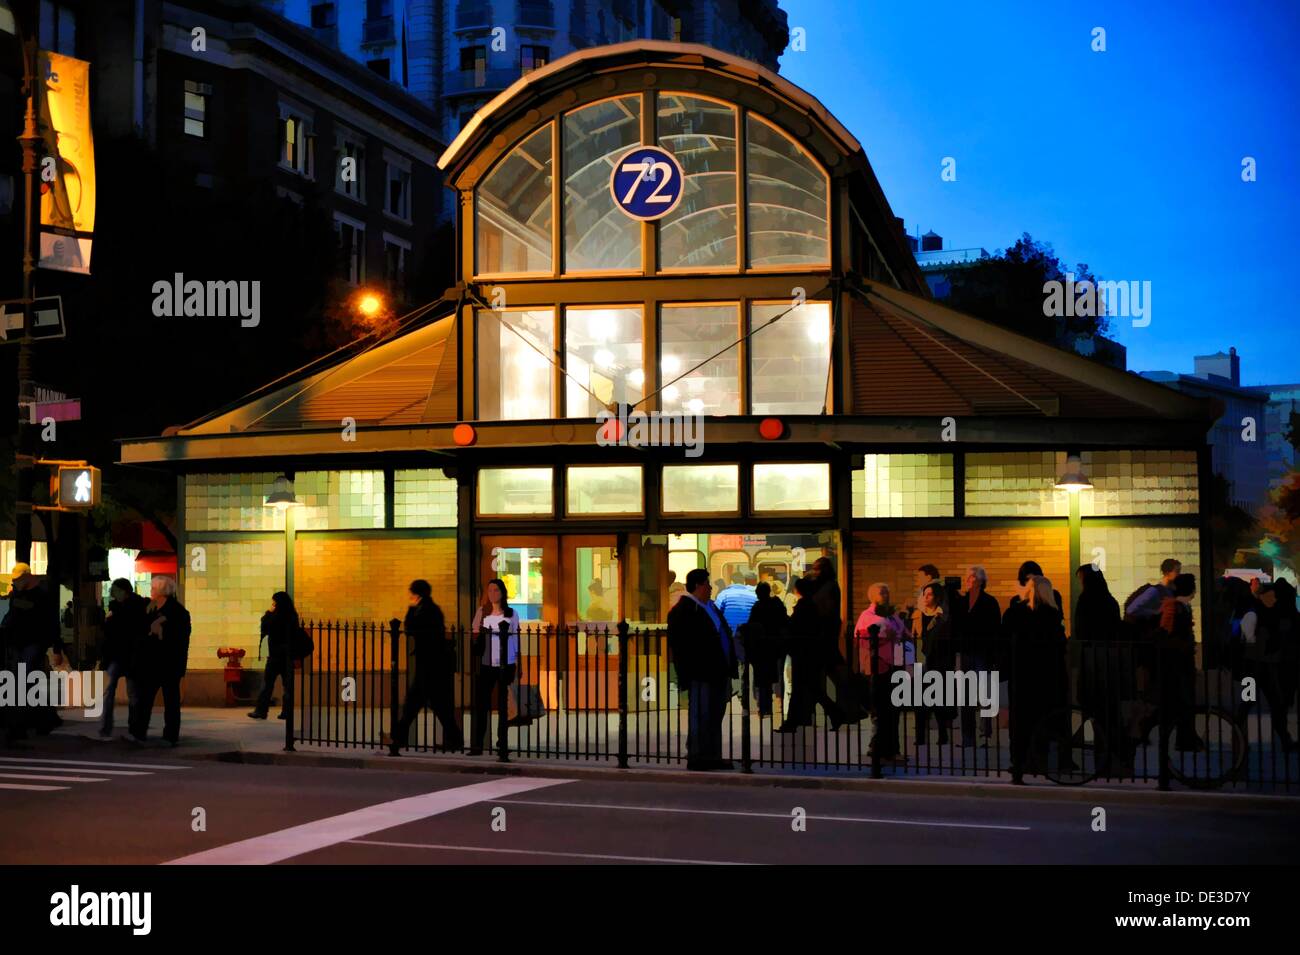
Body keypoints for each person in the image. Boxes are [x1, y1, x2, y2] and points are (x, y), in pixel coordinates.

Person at [667, 568, 737, 770]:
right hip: (702, 672)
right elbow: (682, 644)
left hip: (718, 671)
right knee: (702, 714)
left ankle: (713, 755)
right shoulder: (686, 610)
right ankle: (698, 755)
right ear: (698, 585)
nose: (710, 587)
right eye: (707, 583)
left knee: (715, 714)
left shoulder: (710, 607)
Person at [1003, 575, 1068, 783]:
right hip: (1046, 676)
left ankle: (1019, 765)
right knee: (1043, 721)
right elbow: (1059, 647)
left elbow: (1006, 637)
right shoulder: (1052, 616)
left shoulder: (1016, 613)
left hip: (1022, 675)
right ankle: (1040, 762)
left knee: (1021, 722)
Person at [393, 580, 463, 751]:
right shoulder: (429, 609)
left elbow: (411, 629)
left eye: (411, 592)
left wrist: (410, 610)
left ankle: (398, 739)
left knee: (416, 705)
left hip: (430, 665)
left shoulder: (427, 610)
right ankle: (399, 738)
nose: (409, 595)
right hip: (430, 665)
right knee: (433, 706)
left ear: (417, 594)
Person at [1, 562, 63, 742]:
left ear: (27, 577)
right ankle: (45, 719)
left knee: (22, 682)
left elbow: (52, 623)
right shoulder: (18, 595)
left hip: (34, 643)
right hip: (19, 644)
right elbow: (12, 618)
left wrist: (56, 648)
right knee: (28, 683)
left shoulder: (42, 596)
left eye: (17, 580)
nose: (15, 583)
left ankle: (20, 726)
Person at [127, 576, 191, 746]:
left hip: (169, 664)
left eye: (153, 588)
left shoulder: (178, 612)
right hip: (151, 663)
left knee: (170, 701)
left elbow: (179, 639)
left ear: (162, 592)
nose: (151, 591)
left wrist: (161, 633)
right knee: (145, 699)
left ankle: (170, 736)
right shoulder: (151, 609)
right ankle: (139, 733)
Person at [854, 583, 909, 760]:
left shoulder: (892, 615)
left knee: (894, 709)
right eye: (881, 592)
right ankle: (877, 746)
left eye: (887, 591)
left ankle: (893, 749)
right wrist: (886, 636)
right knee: (880, 709)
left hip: (895, 665)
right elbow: (863, 637)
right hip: (877, 667)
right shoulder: (867, 616)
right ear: (872, 596)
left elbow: (904, 632)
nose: (885, 594)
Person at [950, 565, 1001, 746]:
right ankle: (968, 737)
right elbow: (954, 625)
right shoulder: (961, 602)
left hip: (982, 653)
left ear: (980, 580)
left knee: (984, 696)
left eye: (970, 577)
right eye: (966, 578)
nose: (966, 581)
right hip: (964, 653)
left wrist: (994, 656)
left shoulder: (989, 602)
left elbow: (995, 629)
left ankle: (984, 735)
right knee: (966, 697)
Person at [469, 578, 520, 755]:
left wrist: (516, 663)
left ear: (502, 592)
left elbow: (515, 639)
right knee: (482, 704)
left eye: (496, 590)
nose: (492, 594)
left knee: (503, 705)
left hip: (505, 663)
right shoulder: (483, 611)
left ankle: (502, 743)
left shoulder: (512, 613)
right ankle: (477, 744)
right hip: (486, 663)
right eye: (490, 590)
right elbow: (474, 632)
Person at [1157, 572, 1202, 752]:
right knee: (1181, 702)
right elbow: (1165, 633)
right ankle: (1184, 738)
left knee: (1182, 703)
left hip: (1181, 662)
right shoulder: (1174, 607)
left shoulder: (1181, 606)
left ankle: (1185, 737)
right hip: (1177, 663)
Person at [97, 579, 147, 740]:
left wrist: (110, 620)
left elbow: (115, 632)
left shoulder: (129, 607)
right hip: (124, 655)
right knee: (128, 693)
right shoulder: (126, 606)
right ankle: (129, 729)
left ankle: (114, 728)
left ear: (124, 591)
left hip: (126, 654)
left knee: (124, 692)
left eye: (115, 590)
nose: (113, 593)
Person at [913, 581, 954, 744]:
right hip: (921, 661)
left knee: (937, 700)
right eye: (924, 594)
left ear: (937, 597)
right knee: (919, 701)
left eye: (929, 594)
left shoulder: (943, 617)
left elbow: (947, 642)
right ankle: (920, 737)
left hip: (938, 662)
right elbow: (913, 638)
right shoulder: (917, 615)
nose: (926, 597)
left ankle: (942, 734)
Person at [248, 592, 298, 720]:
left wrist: (268, 613)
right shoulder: (292, 615)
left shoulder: (274, 616)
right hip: (287, 655)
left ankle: (261, 711)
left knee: (267, 684)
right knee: (287, 686)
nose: (273, 604)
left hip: (275, 655)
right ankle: (286, 712)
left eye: (274, 601)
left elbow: (265, 627)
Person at [745, 581, 788, 718]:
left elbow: (751, 626)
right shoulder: (777, 604)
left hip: (761, 647)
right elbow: (784, 622)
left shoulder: (757, 607)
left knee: (762, 680)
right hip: (776, 647)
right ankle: (779, 703)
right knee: (776, 677)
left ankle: (763, 707)